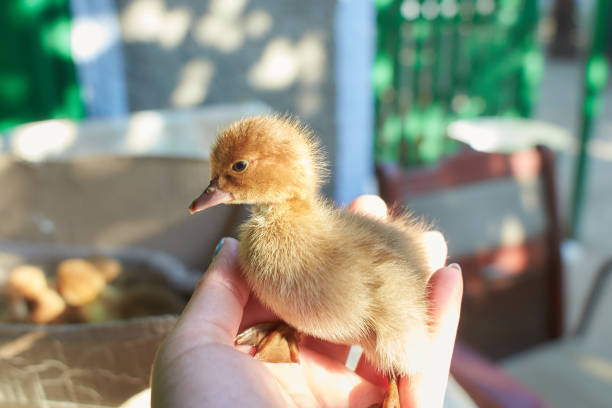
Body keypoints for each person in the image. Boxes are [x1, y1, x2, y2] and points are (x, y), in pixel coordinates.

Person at [151, 195, 463, 407]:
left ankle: (391, 394)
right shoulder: (278, 245)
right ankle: (290, 332)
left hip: (388, 312)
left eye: (237, 168)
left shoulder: (292, 242)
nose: (212, 191)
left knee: (401, 364)